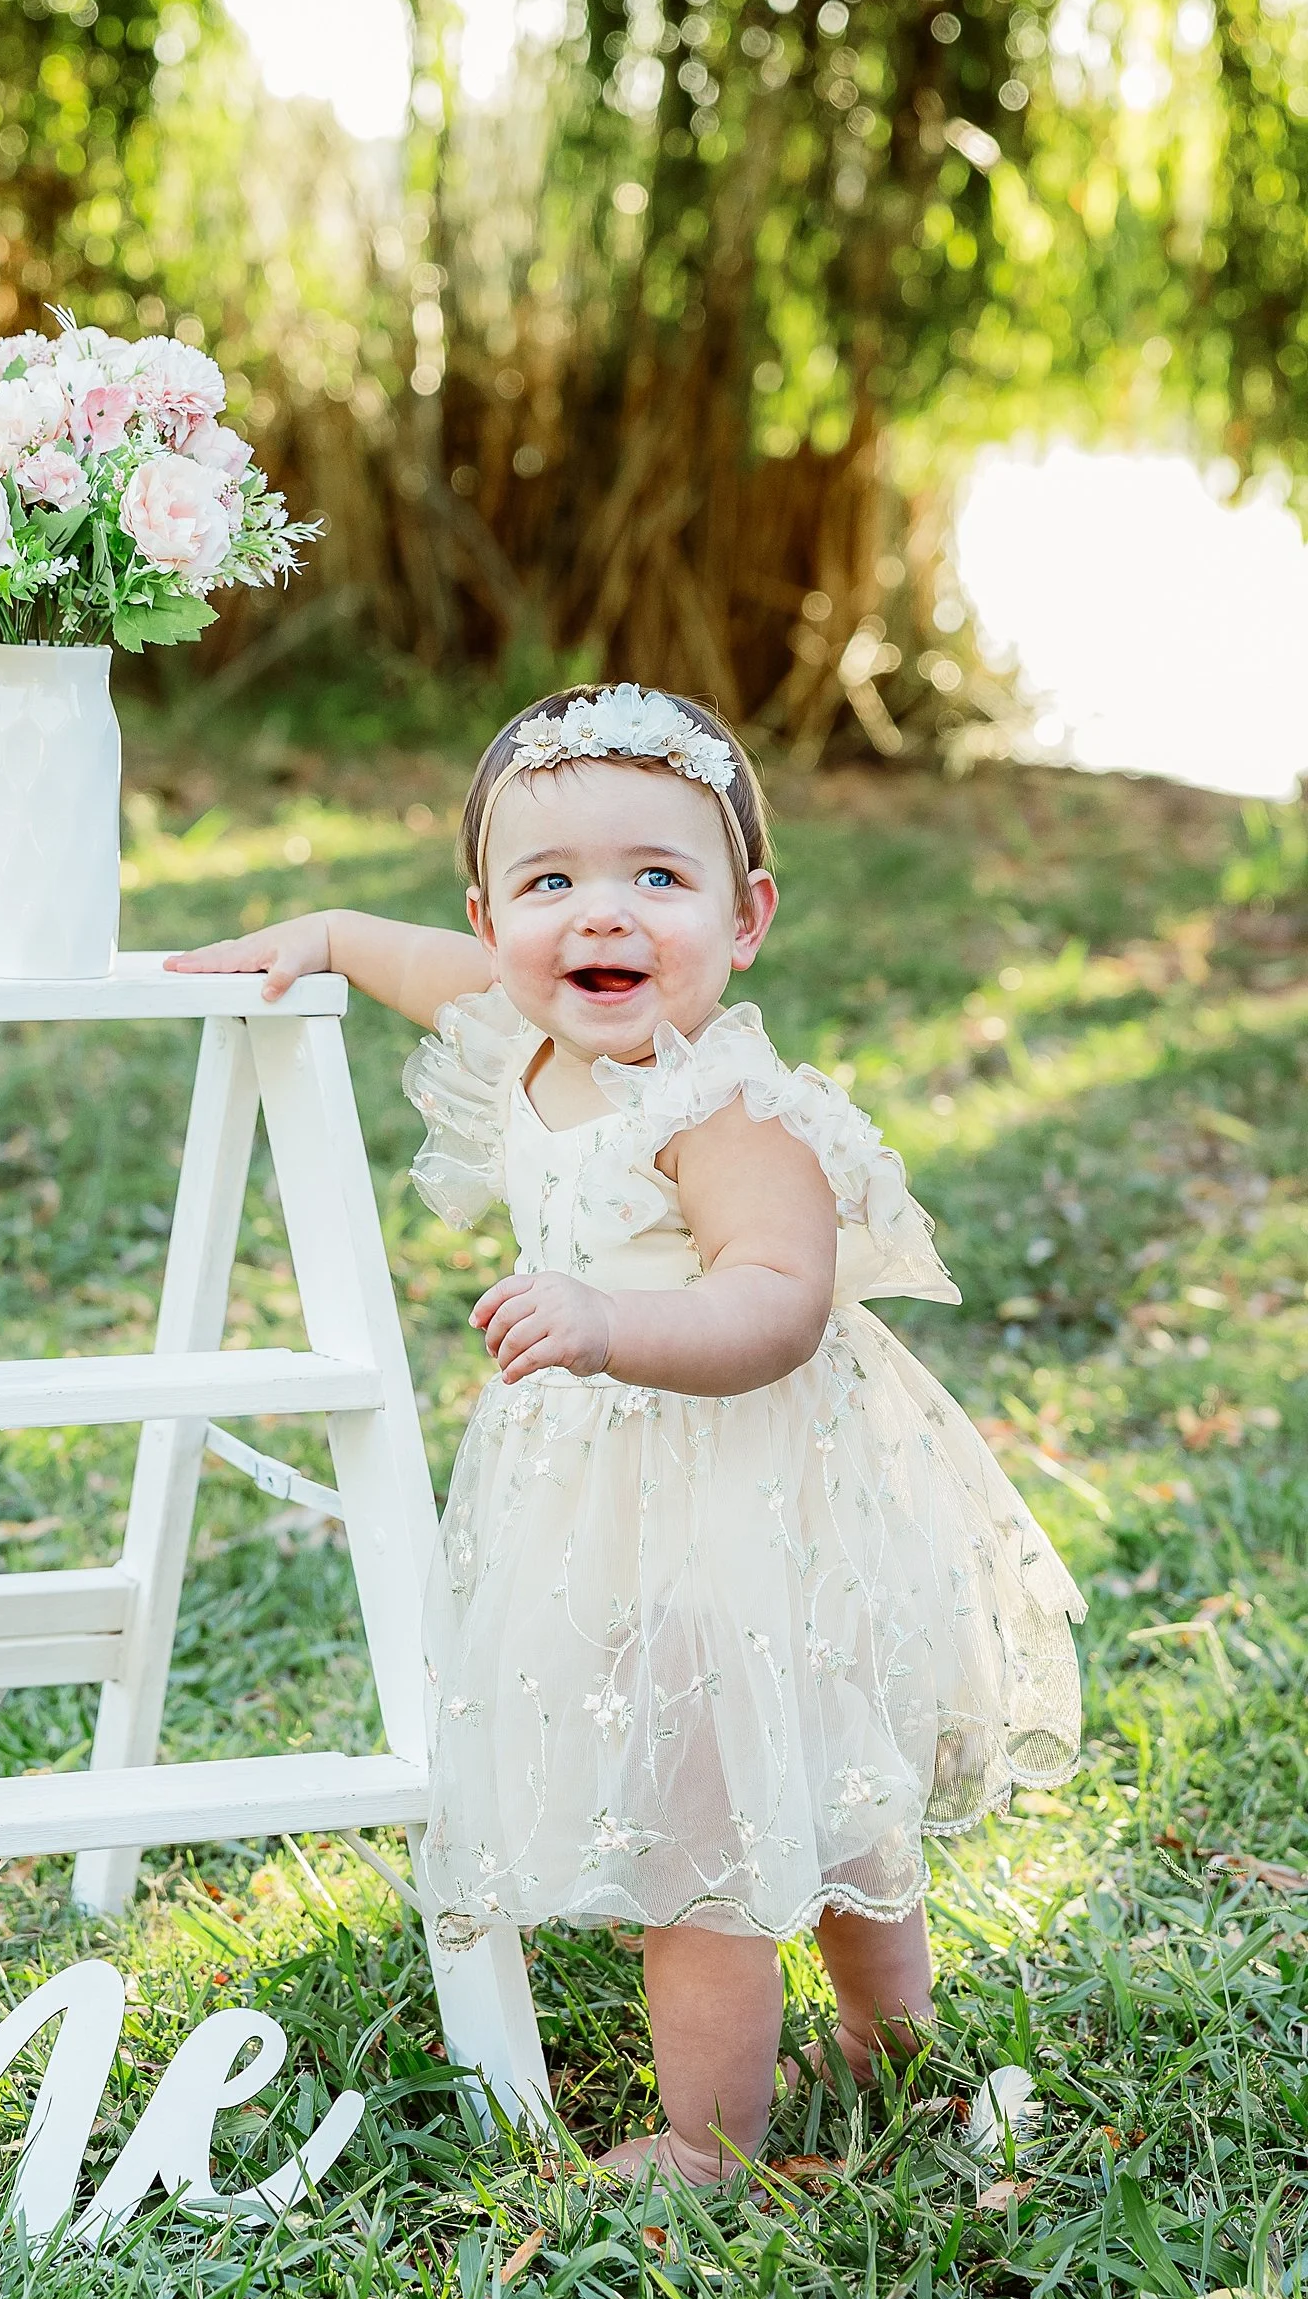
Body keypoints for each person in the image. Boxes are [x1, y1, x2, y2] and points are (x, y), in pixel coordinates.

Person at [167, 682, 1084, 2186]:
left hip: (744, 1482)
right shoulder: (523, 1031)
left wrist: (605, 1325)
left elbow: (779, 1303)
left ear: (748, 916)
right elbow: (423, 967)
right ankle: (889, 2046)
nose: (604, 916)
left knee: (709, 1815)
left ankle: (709, 2137)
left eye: (659, 878)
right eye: (553, 885)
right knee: (800, 1773)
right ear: (493, 913)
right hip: (614, 1497)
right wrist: (323, 935)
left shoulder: (727, 1108)